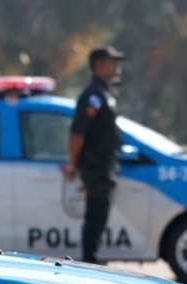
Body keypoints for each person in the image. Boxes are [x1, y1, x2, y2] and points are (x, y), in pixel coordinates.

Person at [63, 45, 125, 264]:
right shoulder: (93, 95)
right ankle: (90, 259)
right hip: (96, 165)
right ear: (98, 65)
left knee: (100, 214)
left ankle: (93, 256)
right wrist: (73, 163)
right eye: (112, 61)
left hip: (105, 165)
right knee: (95, 215)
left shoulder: (106, 92)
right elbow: (78, 133)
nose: (117, 66)